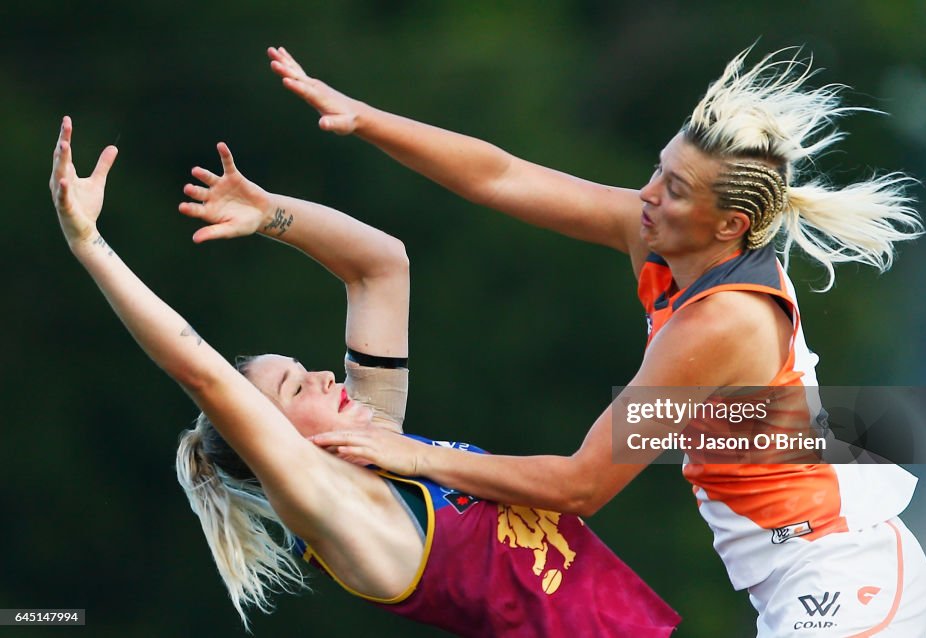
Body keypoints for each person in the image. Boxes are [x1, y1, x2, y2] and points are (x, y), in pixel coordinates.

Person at [271, 45, 926, 635]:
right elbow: (498, 177)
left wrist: (411, 456)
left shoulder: (721, 322)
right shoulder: (662, 239)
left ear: (728, 223)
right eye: (657, 170)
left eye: (673, 190)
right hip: (802, 575)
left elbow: (578, 486)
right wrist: (364, 117)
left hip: (842, 570)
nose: (645, 195)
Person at [49, 116, 680, 636]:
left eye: (303, 370)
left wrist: (271, 215)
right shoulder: (332, 505)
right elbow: (201, 373)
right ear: (271, 439)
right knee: (734, 398)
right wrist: (89, 244)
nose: (324, 375)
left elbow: (380, 266)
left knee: (741, 418)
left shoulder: (377, 447)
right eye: (297, 388)